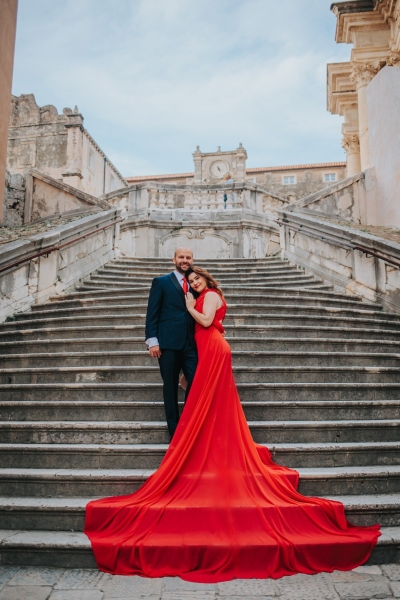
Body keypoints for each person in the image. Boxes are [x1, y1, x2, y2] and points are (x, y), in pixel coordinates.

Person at [85, 266, 380, 582]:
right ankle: (208, 434)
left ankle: (209, 437)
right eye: (192, 281)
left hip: (212, 347)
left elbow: (208, 321)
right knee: (201, 394)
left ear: (207, 280)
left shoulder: (209, 295)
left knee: (206, 395)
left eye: (199, 279)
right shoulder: (202, 295)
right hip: (205, 347)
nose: (195, 283)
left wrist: (188, 306)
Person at [144, 247, 198, 438]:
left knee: (197, 381)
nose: (185, 260)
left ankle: (191, 423)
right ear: (173, 259)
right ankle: (175, 431)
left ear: (192, 260)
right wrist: (152, 341)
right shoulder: (161, 282)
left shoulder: (195, 283)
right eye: (181, 257)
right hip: (167, 343)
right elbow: (153, 313)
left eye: (188, 258)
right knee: (170, 386)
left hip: (191, 344)